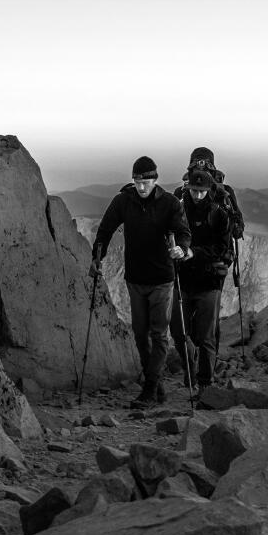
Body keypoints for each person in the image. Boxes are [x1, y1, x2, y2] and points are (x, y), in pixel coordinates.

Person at [90, 156, 192, 406]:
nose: (142, 186)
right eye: (137, 181)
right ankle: (155, 385)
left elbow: (183, 231)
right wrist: (97, 257)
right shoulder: (123, 201)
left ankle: (149, 389)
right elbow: (105, 229)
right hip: (135, 278)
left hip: (162, 279)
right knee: (139, 334)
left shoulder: (169, 203)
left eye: (146, 181)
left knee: (158, 335)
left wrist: (181, 248)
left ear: (155, 180)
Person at [172, 164, 234, 393]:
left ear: (208, 190)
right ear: (188, 188)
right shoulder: (177, 210)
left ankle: (205, 384)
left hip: (209, 282)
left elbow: (221, 247)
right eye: (194, 190)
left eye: (201, 191)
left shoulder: (218, 214)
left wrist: (193, 253)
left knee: (207, 336)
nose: (197, 195)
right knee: (179, 333)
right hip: (183, 280)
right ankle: (191, 373)